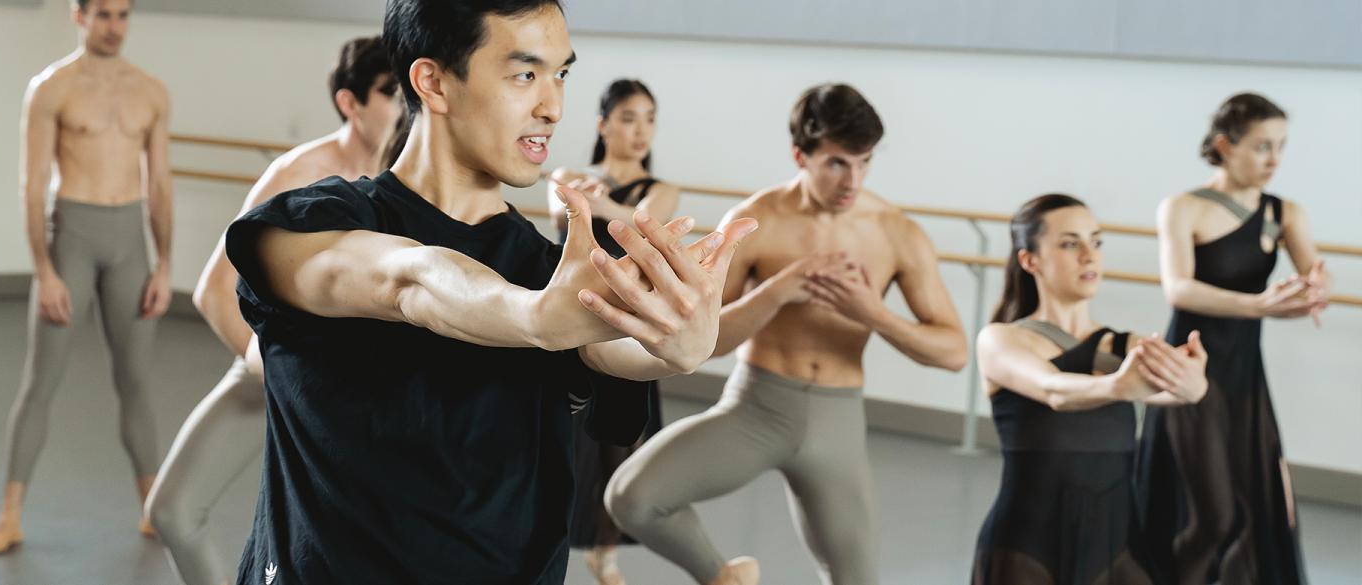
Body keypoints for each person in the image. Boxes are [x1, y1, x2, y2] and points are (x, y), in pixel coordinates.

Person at [225, 1, 757, 582]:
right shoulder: (305, 229)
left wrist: (680, 345)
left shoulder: (546, 269)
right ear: (433, 82)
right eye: (525, 74)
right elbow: (409, 278)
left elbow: (610, 345)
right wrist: (531, 318)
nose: (552, 107)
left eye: (561, 75)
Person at [605, 83, 969, 585]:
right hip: (756, 408)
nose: (853, 180)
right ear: (801, 154)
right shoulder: (758, 221)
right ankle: (724, 577)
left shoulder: (895, 232)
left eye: (864, 162)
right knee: (631, 497)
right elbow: (700, 343)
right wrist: (777, 291)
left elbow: (954, 353)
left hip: (837, 420)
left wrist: (873, 313)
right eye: (838, 163)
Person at [142, 36, 401, 585]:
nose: (402, 104)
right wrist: (282, 375)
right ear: (350, 104)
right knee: (171, 510)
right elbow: (215, 290)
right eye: (387, 92)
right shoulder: (298, 172)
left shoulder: (408, 178)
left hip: (374, 398)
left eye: (405, 91)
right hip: (283, 369)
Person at [0, 0, 174, 555]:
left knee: (135, 381)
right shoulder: (52, 88)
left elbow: (159, 184)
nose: (115, 26)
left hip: (130, 241)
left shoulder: (151, 91)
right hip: (73, 240)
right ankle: (9, 515)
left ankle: (151, 510)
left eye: (124, 14)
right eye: (104, 14)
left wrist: (165, 264)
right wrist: (45, 269)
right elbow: (32, 185)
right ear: (79, 16)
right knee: (41, 382)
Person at [1138, 92, 1330, 585]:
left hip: (1245, 377)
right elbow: (1178, 288)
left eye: (1281, 147)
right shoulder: (1182, 208)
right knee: (1208, 511)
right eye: (1262, 147)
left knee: (1254, 505)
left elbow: (1312, 283)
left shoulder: (1285, 213)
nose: (1274, 160)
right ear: (1225, 145)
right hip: (1188, 368)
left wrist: (1312, 292)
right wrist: (1258, 303)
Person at [972, 193, 1209, 584]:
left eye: (1096, 242)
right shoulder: (1001, 339)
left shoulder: (1125, 347)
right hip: (1028, 546)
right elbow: (1053, 389)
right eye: (1070, 243)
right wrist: (1117, 387)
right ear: (1030, 261)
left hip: (1116, 549)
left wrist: (1193, 380)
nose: (1089, 255)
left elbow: (1185, 389)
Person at [546, 78, 680, 585]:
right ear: (603, 125)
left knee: (618, 444)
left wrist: (604, 209)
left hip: (626, 332)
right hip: (567, 324)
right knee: (561, 440)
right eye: (628, 117)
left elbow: (649, 224)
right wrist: (583, 202)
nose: (640, 129)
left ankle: (605, 552)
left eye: (649, 118)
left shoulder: (659, 190)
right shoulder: (571, 175)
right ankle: (548, 540)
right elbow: (559, 207)